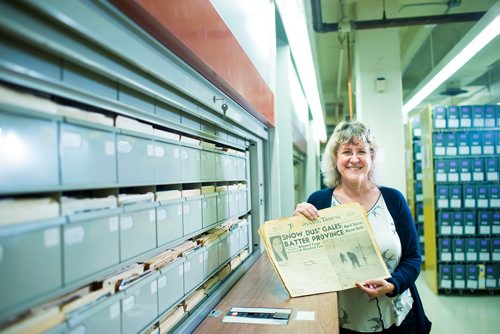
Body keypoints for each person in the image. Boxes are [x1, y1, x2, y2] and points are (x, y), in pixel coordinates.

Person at [294, 121, 431, 334]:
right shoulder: (319, 202)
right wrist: (296, 227)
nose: (354, 159)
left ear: (372, 157)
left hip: (397, 319)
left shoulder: (394, 200)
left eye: (362, 152)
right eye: (346, 151)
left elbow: (413, 258)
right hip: (344, 322)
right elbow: (305, 264)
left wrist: (393, 284)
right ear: (335, 158)